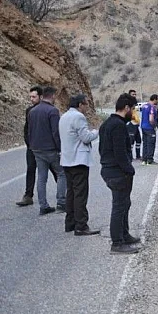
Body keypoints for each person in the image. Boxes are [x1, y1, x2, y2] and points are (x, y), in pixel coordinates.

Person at [99, 93, 141, 254]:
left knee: (125, 204)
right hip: (117, 173)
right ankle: (117, 243)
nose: (134, 113)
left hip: (110, 170)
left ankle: (124, 234)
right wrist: (129, 169)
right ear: (126, 108)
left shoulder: (107, 124)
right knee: (119, 206)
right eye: (133, 109)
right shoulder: (117, 126)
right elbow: (120, 152)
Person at [59, 94, 100, 235]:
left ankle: (70, 222)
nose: (87, 107)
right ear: (80, 105)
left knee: (70, 192)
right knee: (80, 194)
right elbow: (86, 137)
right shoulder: (78, 117)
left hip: (66, 160)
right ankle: (81, 225)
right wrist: (96, 132)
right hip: (78, 160)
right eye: (86, 104)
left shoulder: (63, 117)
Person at [16, 86, 58, 206]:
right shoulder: (29, 111)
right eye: (30, 97)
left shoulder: (50, 110)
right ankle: (28, 196)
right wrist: (29, 143)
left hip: (46, 147)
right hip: (32, 147)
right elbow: (27, 129)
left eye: (34, 97)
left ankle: (64, 195)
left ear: (41, 97)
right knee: (31, 169)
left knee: (55, 170)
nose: (31, 99)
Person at [28, 86, 66, 215]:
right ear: (53, 96)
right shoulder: (53, 111)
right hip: (50, 149)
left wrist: (32, 146)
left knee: (41, 178)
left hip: (36, 149)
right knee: (61, 174)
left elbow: (29, 131)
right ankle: (61, 202)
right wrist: (60, 148)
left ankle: (43, 205)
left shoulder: (32, 111)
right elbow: (56, 132)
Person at [140, 94, 158, 165]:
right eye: (157, 100)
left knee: (145, 143)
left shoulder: (144, 106)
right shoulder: (151, 107)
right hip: (149, 127)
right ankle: (150, 160)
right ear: (154, 99)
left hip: (143, 127)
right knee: (151, 143)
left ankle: (144, 160)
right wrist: (154, 125)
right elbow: (151, 119)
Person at [126, 89, 141, 161]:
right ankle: (130, 156)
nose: (134, 96)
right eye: (133, 94)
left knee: (139, 140)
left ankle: (138, 156)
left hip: (136, 124)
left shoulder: (135, 103)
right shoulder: (127, 103)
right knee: (131, 141)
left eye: (135, 94)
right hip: (131, 124)